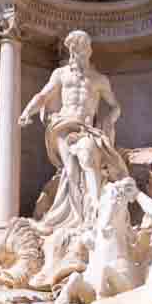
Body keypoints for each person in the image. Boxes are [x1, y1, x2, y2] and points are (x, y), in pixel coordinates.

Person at [18, 30, 128, 229]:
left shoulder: (99, 79)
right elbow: (43, 96)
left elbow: (115, 105)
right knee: (71, 170)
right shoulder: (61, 74)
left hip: (86, 128)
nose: (81, 53)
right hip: (63, 125)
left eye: (84, 48)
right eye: (77, 49)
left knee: (87, 159)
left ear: (89, 50)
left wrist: (110, 119)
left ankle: (94, 209)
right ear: (72, 51)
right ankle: (75, 219)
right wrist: (27, 112)